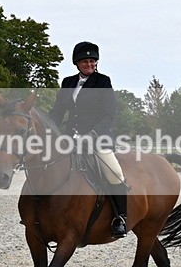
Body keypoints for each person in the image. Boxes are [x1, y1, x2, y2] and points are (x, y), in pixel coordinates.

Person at [49, 41, 129, 239]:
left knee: (115, 173)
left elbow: (109, 115)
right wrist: (49, 130)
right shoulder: (68, 83)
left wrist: (91, 135)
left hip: (97, 138)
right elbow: (58, 112)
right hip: (69, 137)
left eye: (93, 61)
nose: (90, 64)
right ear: (77, 63)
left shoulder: (102, 81)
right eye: (85, 61)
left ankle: (120, 217)